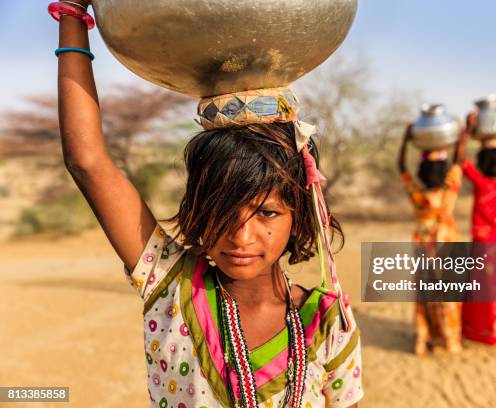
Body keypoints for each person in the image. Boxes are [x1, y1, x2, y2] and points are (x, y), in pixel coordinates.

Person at [52, 1, 363, 406]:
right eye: (220, 211)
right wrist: (73, 16)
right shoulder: (170, 284)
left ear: (298, 214)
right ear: (199, 208)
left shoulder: (326, 321)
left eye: (266, 212)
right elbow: (87, 161)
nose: (240, 235)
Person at [397, 123, 467, 355]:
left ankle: (423, 337)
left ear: (422, 170)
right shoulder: (449, 191)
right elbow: (459, 162)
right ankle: (449, 338)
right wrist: (462, 136)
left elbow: (401, 168)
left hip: (424, 243)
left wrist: (406, 140)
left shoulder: (417, 194)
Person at [459, 112, 496, 345]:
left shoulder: (481, 183)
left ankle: (481, 330)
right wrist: (495, 137)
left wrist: (468, 131)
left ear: (482, 163)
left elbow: (461, 160)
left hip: (483, 244)